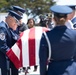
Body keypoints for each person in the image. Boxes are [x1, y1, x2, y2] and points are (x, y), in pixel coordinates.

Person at [39, 5, 76, 75]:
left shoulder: (46, 36)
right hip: (72, 71)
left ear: (53, 19)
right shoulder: (74, 34)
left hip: (54, 71)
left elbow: (43, 60)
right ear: (67, 18)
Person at [0, 10, 22, 75]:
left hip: (7, 57)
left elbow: (15, 38)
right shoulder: (2, 28)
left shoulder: (7, 27)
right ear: (10, 19)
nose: (15, 24)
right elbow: (2, 45)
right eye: (15, 22)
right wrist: (12, 54)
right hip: (3, 58)